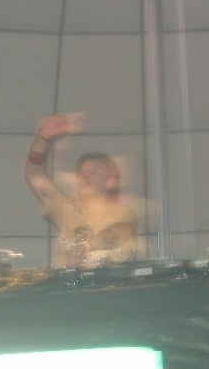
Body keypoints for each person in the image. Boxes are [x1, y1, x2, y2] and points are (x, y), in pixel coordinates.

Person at [24, 113, 138, 268]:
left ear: (110, 180)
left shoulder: (124, 213)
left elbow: (117, 233)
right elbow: (35, 174)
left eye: (94, 171)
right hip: (66, 283)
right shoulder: (66, 209)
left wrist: (86, 246)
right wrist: (43, 138)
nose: (85, 176)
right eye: (81, 172)